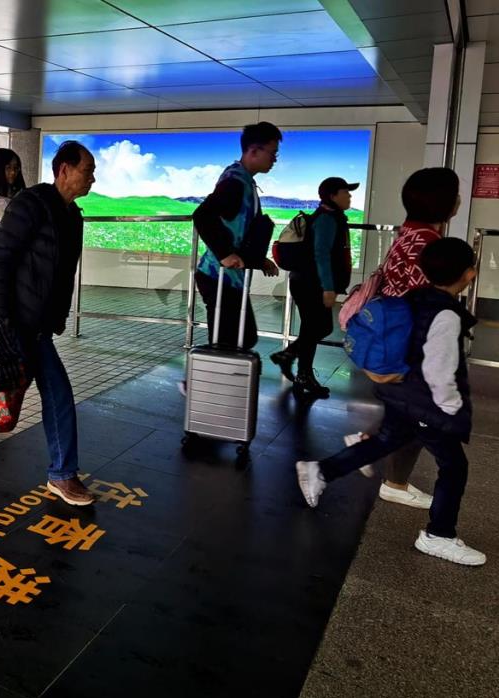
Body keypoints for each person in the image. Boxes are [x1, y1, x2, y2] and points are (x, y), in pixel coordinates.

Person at [297, 237, 485, 566]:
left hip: (400, 391)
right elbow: (438, 370)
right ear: (469, 274)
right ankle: (439, 535)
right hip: (425, 402)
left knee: (386, 441)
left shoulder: (414, 297)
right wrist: (450, 407)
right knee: (454, 466)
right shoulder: (447, 315)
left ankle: (320, 470)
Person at [0, 141, 96, 507]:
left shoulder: (72, 215)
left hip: (39, 323)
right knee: (56, 393)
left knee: (9, 393)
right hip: (17, 320)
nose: (92, 178)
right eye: (87, 170)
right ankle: (62, 473)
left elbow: (62, 273)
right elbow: (0, 261)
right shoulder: (31, 204)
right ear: (64, 170)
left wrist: (57, 315)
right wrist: (0, 318)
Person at [346, 168, 462, 509]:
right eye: (454, 193)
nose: (458, 199)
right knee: (420, 413)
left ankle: (386, 471)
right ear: (443, 202)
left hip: (394, 336)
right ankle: (390, 478)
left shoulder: (408, 233)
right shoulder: (429, 244)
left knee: (408, 412)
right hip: (408, 341)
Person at [191, 122, 281, 357]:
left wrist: (258, 260)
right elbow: (202, 215)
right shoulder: (235, 182)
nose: (275, 159)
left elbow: (241, 231)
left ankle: (214, 375)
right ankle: (207, 376)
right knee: (229, 340)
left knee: (241, 337)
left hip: (228, 278)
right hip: (217, 276)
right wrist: (224, 254)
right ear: (254, 151)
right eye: (272, 153)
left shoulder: (244, 180)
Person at [271, 177, 356, 399]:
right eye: (345, 192)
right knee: (319, 327)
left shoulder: (328, 216)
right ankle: (299, 369)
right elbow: (321, 253)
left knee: (314, 328)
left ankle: (294, 363)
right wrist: (328, 288)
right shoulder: (327, 219)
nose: (349, 196)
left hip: (306, 281)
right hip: (311, 284)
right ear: (333, 196)